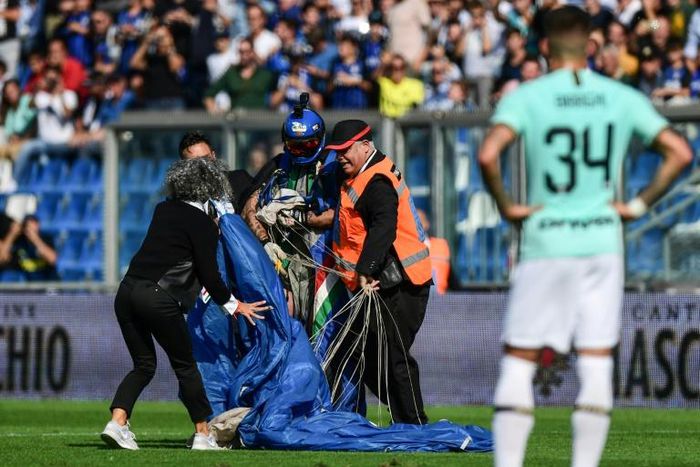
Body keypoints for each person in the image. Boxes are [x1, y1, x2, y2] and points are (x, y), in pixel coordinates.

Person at [478, 7, 692, 467]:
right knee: (596, 361)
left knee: (520, 360)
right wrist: (635, 206)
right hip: (601, 243)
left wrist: (507, 204)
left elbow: (488, 154)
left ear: (545, 47)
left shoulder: (528, 96)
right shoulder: (619, 96)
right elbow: (679, 151)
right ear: (591, 45)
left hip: (545, 242)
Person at [101, 156, 269, 451]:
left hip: (126, 292)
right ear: (209, 189)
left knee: (143, 365)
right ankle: (203, 434)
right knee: (186, 368)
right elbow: (209, 274)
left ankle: (117, 422)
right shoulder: (202, 222)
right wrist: (234, 305)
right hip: (158, 298)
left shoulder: (163, 209)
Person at [329, 119, 433, 424]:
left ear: (365, 146)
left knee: (393, 355)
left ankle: (413, 423)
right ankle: (407, 416)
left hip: (401, 282)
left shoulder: (375, 182)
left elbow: (383, 228)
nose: (340, 157)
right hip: (386, 281)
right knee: (365, 354)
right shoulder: (363, 173)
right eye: (336, 152)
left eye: (345, 150)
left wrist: (366, 269)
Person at [241, 93, 336, 331]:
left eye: (309, 145)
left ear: (320, 138)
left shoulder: (334, 166)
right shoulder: (277, 165)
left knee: (323, 327)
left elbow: (346, 212)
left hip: (324, 261)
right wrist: (265, 243)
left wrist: (304, 218)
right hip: (284, 261)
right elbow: (249, 208)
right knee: (286, 325)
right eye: (295, 146)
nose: (302, 152)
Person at [0, 215, 58, 281]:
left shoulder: (46, 238)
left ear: (38, 225)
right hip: (30, 286)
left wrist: (35, 239)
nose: (29, 228)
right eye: (27, 226)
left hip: (48, 283)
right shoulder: (20, 242)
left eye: (32, 225)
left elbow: (53, 260)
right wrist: (12, 234)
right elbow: (2, 258)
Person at [416, 209, 450, 294]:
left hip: (440, 301)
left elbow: (452, 278)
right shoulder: (403, 249)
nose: (416, 225)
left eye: (420, 221)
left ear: (427, 224)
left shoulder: (441, 246)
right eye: (413, 222)